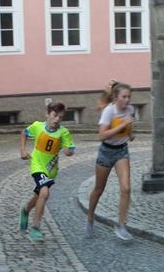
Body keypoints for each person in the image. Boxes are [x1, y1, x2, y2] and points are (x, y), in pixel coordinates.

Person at [19, 101, 76, 241]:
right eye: (54, 115)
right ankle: (35, 228)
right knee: (45, 192)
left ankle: (25, 210)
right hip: (37, 164)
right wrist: (23, 150)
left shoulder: (64, 132)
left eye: (60, 117)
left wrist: (69, 151)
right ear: (47, 114)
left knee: (39, 196)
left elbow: (70, 149)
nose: (57, 119)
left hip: (51, 169)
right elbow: (24, 132)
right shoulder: (37, 126)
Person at [86, 81, 135, 240]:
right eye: (124, 97)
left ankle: (121, 225)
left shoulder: (131, 109)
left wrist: (130, 134)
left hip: (122, 151)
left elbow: (128, 128)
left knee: (126, 188)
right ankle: (90, 217)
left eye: (129, 97)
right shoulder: (109, 111)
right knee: (99, 189)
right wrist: (122, 126)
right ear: (115, 97)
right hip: (106, 152)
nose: (127, 100)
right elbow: (102, 135)